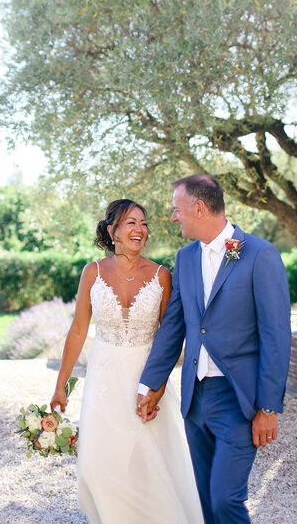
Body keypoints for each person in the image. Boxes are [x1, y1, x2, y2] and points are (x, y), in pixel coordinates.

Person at [137, 175, 292, 524]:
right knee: (205, 499)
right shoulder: (186, 258)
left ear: (199, 208)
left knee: (225, 500)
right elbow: (174, 326)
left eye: (177, 210)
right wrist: (150, 384)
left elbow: (276, 335)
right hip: (196, 399)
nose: (173, 217)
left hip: (238, 399)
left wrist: (268, 406)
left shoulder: (259, 254)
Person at [50, 199, 204, 524]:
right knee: (99, 465)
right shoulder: (92, 272)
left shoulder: (163, 276)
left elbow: (171, 338)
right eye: (131, 222)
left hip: (144, 380)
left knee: (148, 466)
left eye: (144, 223)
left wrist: (157, 389)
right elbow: (78, 331)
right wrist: (61, 385)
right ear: (113, 231)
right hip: (103, 381)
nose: (139, 229)